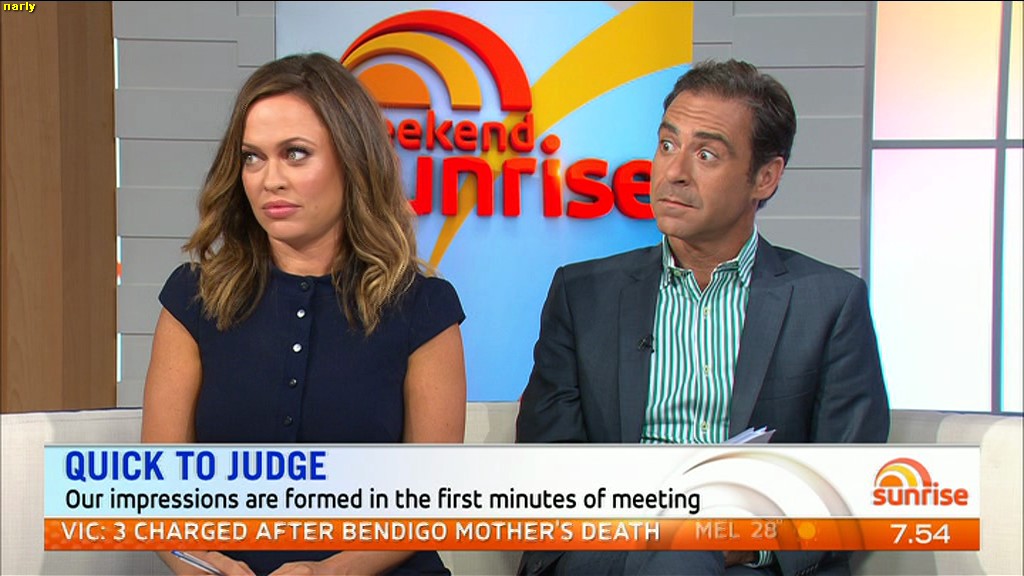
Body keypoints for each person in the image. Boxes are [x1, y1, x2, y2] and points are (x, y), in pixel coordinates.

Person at [516, 59, 890, 576]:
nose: (674, 172)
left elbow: (848, 480)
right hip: (607, 548)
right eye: (667, 145)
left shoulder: (829, 303)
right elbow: (546, 461)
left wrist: (743, 543)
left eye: (706, 154)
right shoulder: (582, 295)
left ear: (765, 177)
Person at [141, 53, 467, 576]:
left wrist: (328, 573)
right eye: (252, 158)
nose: (269, 179)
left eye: (295, 154)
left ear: (353, 161)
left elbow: (433, 500)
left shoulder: (423, 307)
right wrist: (207, 567)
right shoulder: (193, 299)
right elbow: (156, 501)